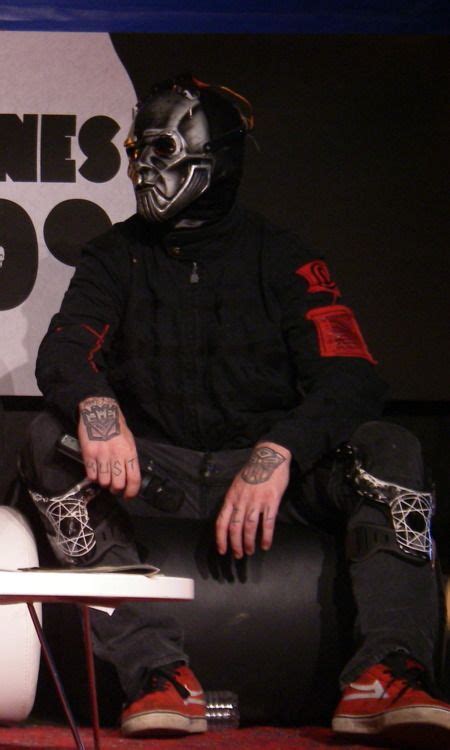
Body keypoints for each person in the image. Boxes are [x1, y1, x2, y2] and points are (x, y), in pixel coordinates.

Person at [20, 74, 449, 745]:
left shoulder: (283, 259)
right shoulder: (115, 256)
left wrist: (279, 452)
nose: (143, 170)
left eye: (160, 153)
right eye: (139, 152)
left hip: (271, 477)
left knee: (389, 446)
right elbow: (65, 352)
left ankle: (388, 671)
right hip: (158, 478)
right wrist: (96, 407)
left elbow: (352, 377)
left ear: (210, 161)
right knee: (50, 440)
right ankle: (159, 675)